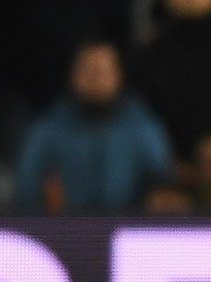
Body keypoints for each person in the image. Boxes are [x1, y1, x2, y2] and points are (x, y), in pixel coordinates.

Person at [13, 42, 172, 211]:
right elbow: (25, 189)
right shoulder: (47, 129)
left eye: (101, 71)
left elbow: (162, 182)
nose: (95, 78)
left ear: (118, 75)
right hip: (65, 224)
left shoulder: (143, 127)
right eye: (88, 70)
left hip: (128, 223)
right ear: (73, 75)